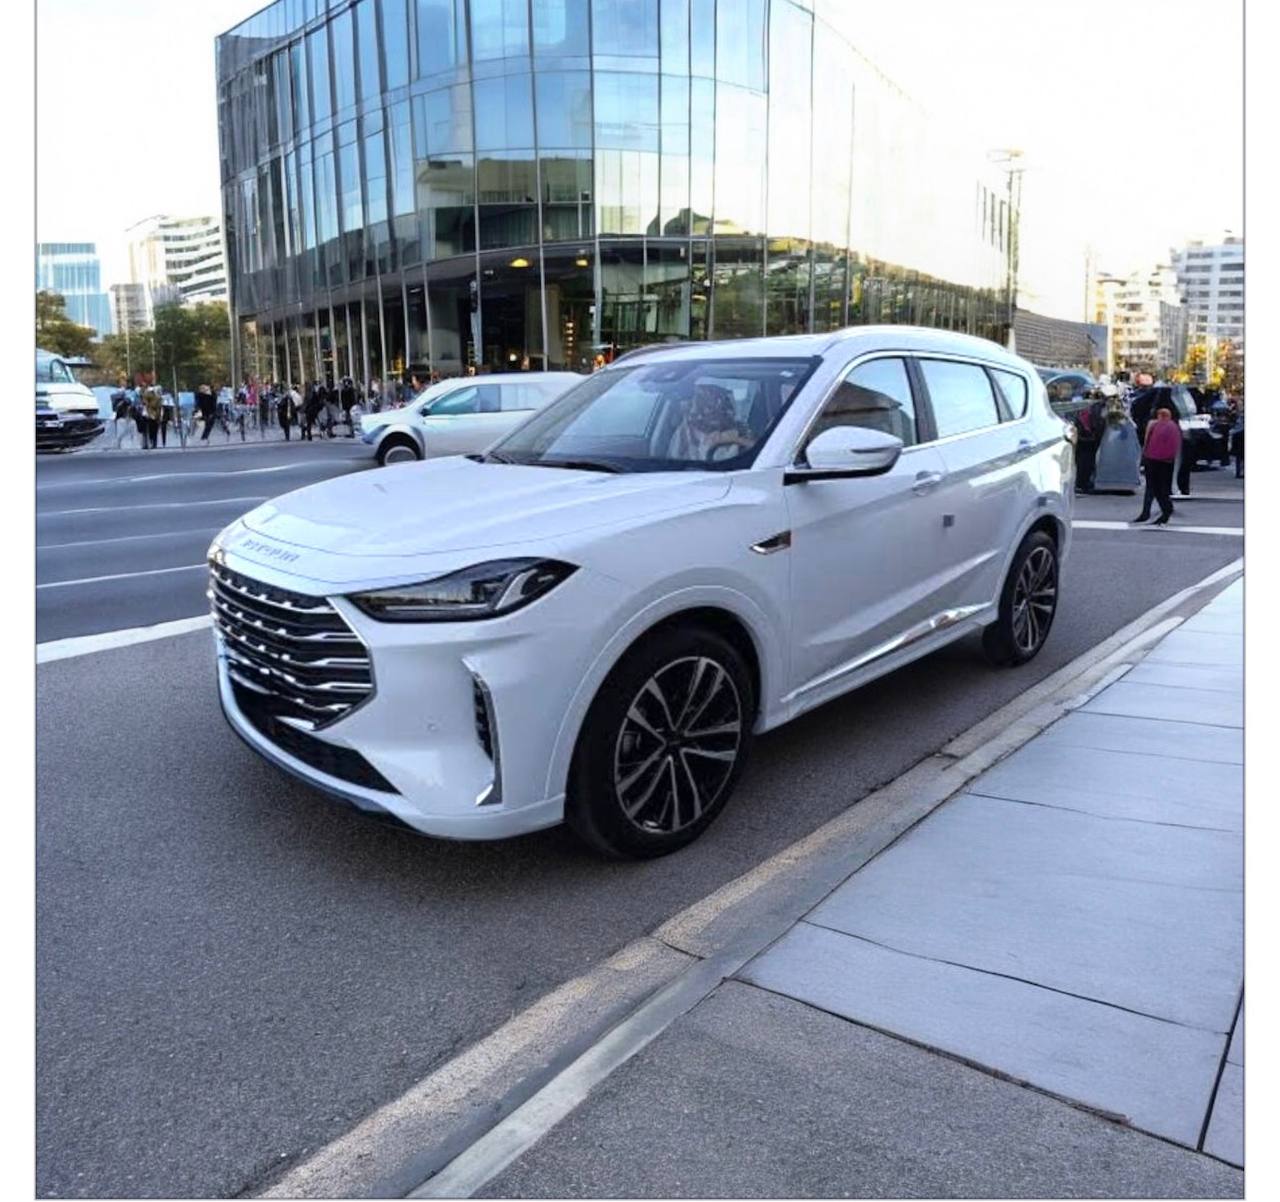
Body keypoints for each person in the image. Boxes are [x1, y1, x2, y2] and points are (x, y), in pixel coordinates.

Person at [667, 383, 752, 463]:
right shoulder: (685, 430)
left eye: (720, 405)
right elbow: (673, 461)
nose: (710, 410)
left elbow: (757, 451)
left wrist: (733, 439)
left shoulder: (739, 428)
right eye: (706, 405)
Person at [1131, 406, 1180, 526]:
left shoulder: (1154, 425)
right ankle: (1165, 511)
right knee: (1163, 488)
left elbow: (1147, 441)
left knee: (1152, 488)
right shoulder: (1174, 427)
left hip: (1153, 460)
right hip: (1168, 461)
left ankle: (1149, 512)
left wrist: (1144, 457)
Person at [1229, 405, 1244, 479]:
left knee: (1239, 458)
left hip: (1238, 437)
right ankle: (1239, 472)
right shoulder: (1240, 419)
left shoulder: (1239, 419)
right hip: (1239, 438)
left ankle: (1239, 472)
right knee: (1240, 458)